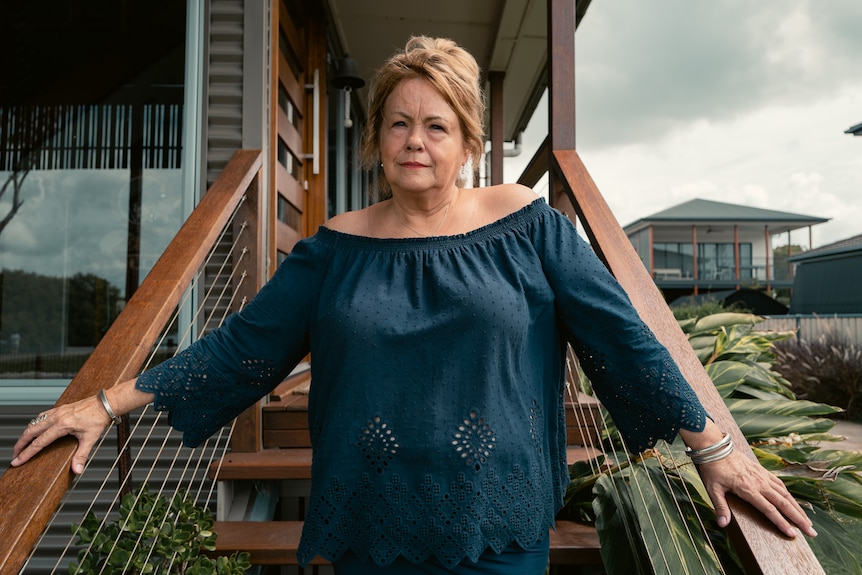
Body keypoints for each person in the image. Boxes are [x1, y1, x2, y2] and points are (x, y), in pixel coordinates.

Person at [12, 36, 815, 574]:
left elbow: (625, 337)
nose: (415, 140)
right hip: (369, 513)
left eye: (436, 124)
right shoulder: (334, 246)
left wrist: (714, 447)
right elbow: (244, 345)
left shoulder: (531, 227)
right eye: (398, 123)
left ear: (466, 139)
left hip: (495, 513)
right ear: (378, 139)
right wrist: (106, 402)